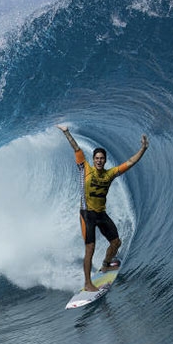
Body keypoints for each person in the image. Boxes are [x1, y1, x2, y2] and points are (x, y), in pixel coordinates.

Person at [56, 124, 149, 292]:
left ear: (105, 160)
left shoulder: (110, 174)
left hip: (101, 214)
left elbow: (130, 162)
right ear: (93, 159)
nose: (99, 160)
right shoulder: (85, 168)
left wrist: (143, 148)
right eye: (97, 158)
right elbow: (76, 147)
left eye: (102, 158)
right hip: (87, 215)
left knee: (116, 243)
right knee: (90, 248)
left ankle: (106, 263)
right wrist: (66, 132)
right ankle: (87, 283)